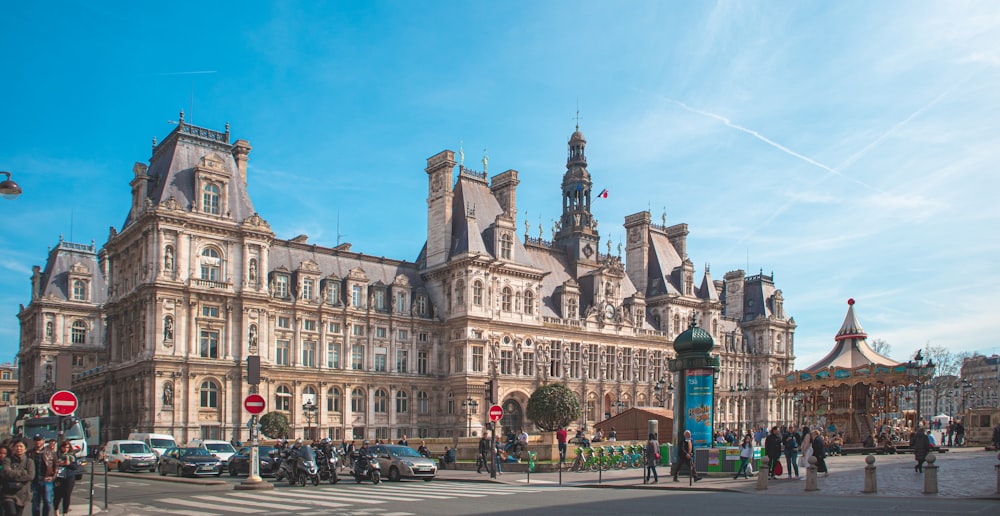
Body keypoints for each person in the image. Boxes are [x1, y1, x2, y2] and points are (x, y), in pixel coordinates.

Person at [2, 441, 35, 516]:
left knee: (18, 514)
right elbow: (6, 473)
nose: (18, 448)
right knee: (11, 513)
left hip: (22, 493)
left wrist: (13, 474)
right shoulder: (7, 460)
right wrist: (23, 472)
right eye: (16, 446)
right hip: (9, 493)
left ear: (25, 449)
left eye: (21, 446)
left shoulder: (29, 461)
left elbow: (30, 476)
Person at [27, 435, 55, 516]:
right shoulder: (29, 453)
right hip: (34, 480)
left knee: (47, 501)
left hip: (46, 480)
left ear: (43, 441)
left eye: (39, 440)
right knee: (35, 503)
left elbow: (56, 465)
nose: (38, 442)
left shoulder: (50, 452)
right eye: (36, 440)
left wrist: (53, 477)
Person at [52, 441, 77, 516]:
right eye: (64, 447)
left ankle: (65, 512)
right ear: (61, 447)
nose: (66, 449)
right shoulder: (56, 455)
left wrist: (69, 464)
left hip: (69, 477)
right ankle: (56, 510)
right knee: (57, 495)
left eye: (67, 447)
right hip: (59, 477)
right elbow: (51, 465)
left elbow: (75, 467)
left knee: (67, 494)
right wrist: (58, 463)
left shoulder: (72, 456)